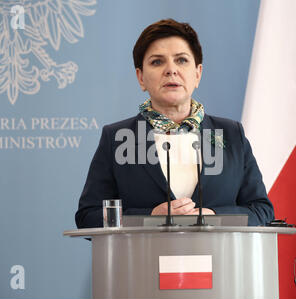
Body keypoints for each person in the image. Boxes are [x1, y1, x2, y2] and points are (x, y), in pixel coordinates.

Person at [75, 19, 274, 228]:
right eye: (157, 62)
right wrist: (149, 217)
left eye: (181, 60)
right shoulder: (116, 138)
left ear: (197, 74)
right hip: (143, 259)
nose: (171, 70)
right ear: (140, 77)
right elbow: (88, 216)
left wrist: (214, 216)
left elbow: (261, 210)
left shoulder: (231, 134)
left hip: (220, 259)